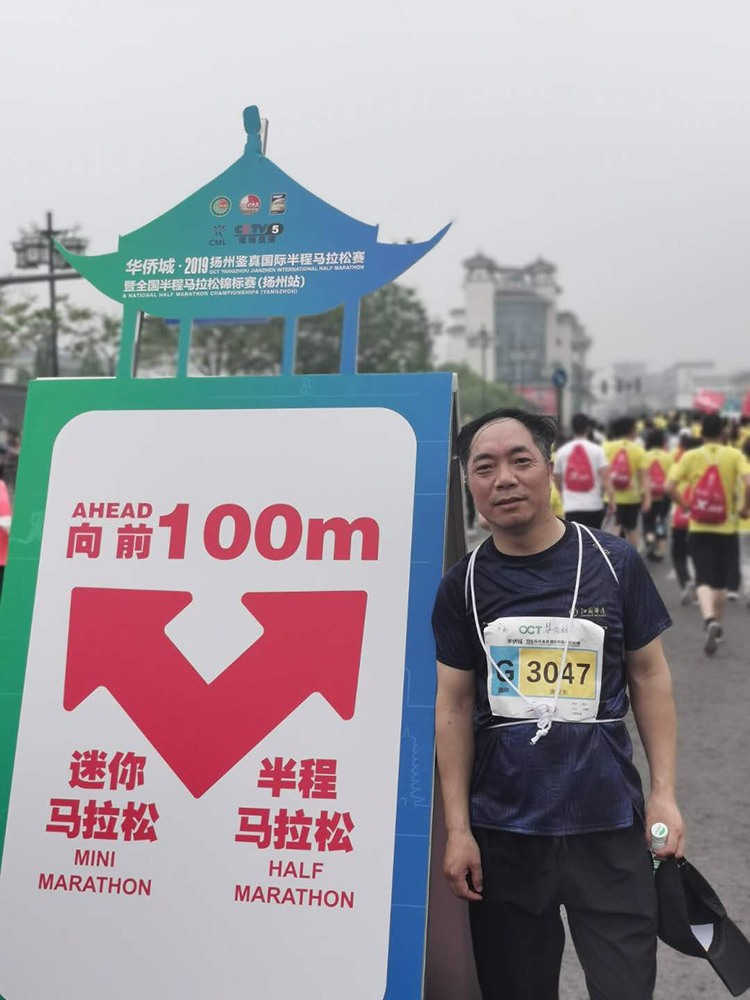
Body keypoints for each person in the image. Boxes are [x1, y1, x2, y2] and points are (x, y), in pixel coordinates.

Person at [433, 407, 684, 1000]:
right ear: (468, 485)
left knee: (625, 987)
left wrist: (664, 793)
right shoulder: (462, 585)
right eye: (484, 468)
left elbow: (650, 675)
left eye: (520, 461)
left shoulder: (613, 562)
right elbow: (453, 705)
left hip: (608, 823)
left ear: (549, 469)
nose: (504, 479)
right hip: (504, 833)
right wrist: (459, 830)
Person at [667, 413, 750, 655]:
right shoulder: (734, 455)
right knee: (721, 583)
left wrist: (685, 505)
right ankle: (717, 623)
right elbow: (748, 482)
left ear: (701, 433)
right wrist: (745, 507)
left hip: (699, 526)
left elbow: (669, 486)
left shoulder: (691, 456)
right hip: (726, 528)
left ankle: (709, 619)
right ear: (724, 433)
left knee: (703, 578)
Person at [553, 413, 614, 529]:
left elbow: (557, 479)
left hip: (571, 507)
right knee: (593, 537)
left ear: (572, 429)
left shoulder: (562, 451)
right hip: (594, 506)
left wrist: (563, 495)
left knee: (575, 537)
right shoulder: (597, 450)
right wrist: (611, 501)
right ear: (588, 428)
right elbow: (606, 478)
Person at [603, 416, 652, 547]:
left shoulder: (605, 447)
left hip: (610, 497)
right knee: (631, 530)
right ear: (631, 431)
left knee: (613, 528)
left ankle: (610, 556)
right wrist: (647, 498)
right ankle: (632, 557)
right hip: (632, 498)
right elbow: (644, 476)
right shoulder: (638, 450)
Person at [641, 428, 673, 562]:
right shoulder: (668, 457)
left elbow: (641, 477)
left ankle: (650, 539)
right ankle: (660, 551)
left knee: (648, 521)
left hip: (647, 495)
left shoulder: (644, 456)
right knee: (661, 520)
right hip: (664, 495)